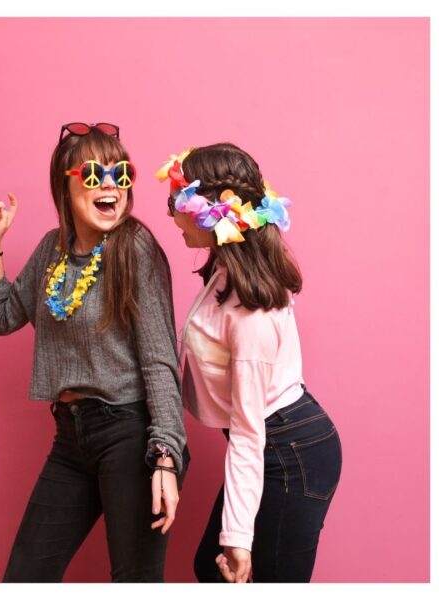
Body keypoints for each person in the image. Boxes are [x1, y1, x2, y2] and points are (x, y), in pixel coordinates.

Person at [0, 122, 188, 583]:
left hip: (130, 435)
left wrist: (166, 456)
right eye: (93, 174)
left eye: (120, 173)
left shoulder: (135, 249)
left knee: (135, 582)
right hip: (71, 436)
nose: (109, 184)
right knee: (24, 578)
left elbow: (159, 359)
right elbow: (3, 318)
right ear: (65, 185)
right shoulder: (52, 252)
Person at [156, 143, 341, 583]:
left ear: (214, 213)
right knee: (210, 567)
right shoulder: (226, 270)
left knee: (259, 577)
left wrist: (238, 537)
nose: (170, 214)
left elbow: (247, 434)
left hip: (287, 450)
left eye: (177, 201)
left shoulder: (251, 315)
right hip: (280, 439)